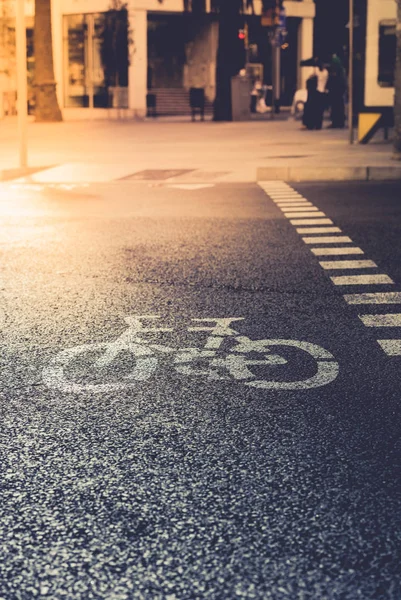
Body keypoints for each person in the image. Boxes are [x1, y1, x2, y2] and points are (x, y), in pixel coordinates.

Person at [302, 58, 329, 130]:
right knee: (320, 110)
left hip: (315, 92)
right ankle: (318, 125)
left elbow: (307, 78)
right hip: (322, 92)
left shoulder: (314, 71)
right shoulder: (325, 72)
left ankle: (311, 124)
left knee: (312, 109)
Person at [327, 55, 346, 128]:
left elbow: (333, 82)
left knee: (336, 108)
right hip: (339, 93)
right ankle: (339, 122)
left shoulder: (336, 73)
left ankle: (336, 122)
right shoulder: (341, 71)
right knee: (339, 107)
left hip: (336, 93)